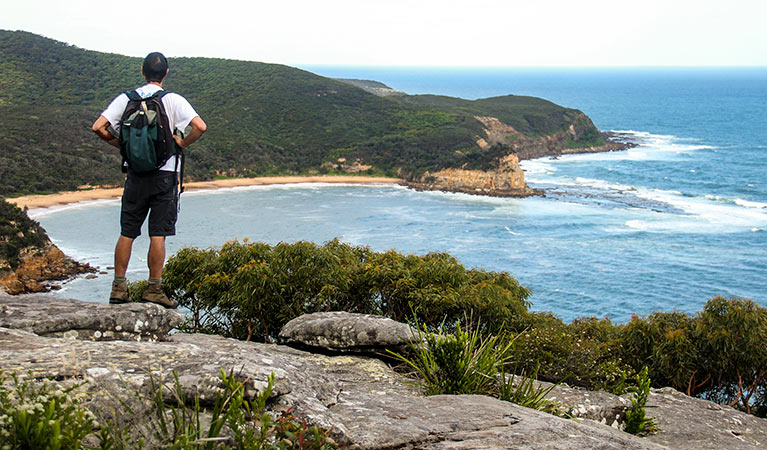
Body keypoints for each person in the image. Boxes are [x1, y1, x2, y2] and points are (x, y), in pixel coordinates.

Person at [92, 52, 206, 308]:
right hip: (165, 175)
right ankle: (154, 289)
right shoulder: (173, 100)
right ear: (165, 73)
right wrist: (182, 143)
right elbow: (200, 126)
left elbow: (98, 126)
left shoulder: (126, 98)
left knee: (127, 232)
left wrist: (120, 144)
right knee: (158, 234)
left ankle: (118, 288)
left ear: (142, 72)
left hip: (135, 174)